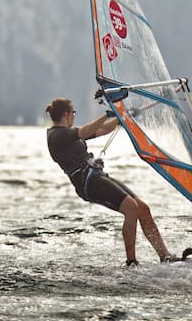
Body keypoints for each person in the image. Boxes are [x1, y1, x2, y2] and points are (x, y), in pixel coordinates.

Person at [45, 96, 178, 266]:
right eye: (73, 113)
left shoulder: (70, 134)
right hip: (88, 184)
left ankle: (165, 256)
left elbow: (102, 130)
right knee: (131, 207)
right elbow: (84, 131)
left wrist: (122, 117)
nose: (74, 116)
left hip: (96, 176)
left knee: (142, 208)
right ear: (66, 114)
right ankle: (131, 262)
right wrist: (107, 114)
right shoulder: (56, 136)